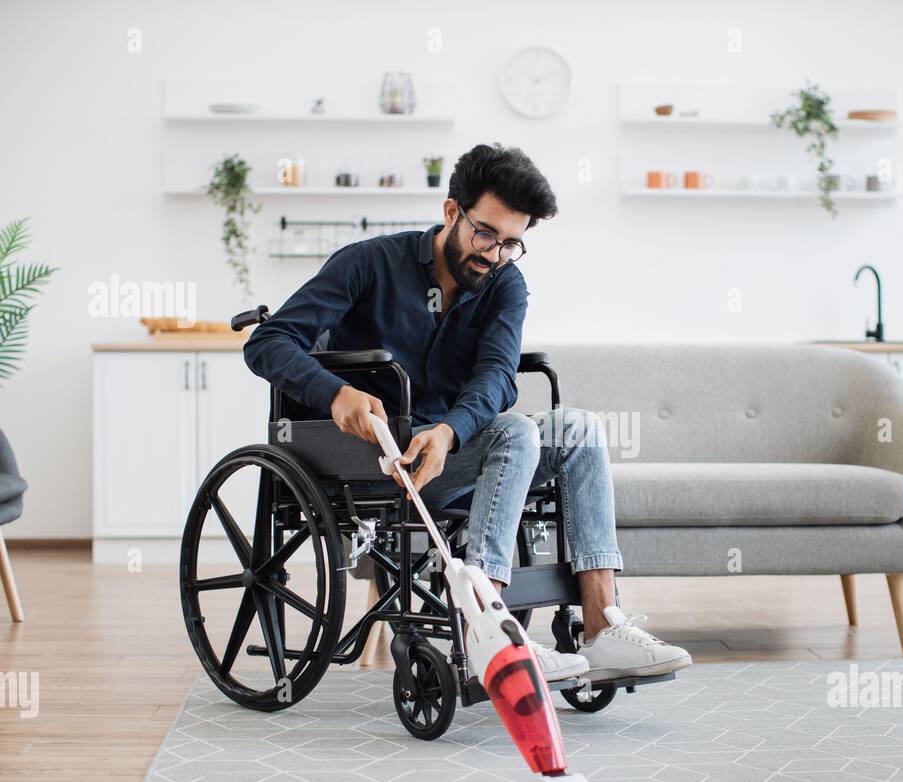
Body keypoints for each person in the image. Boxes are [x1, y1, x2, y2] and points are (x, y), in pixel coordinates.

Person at [244, 143, 690, 683]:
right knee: (516, 435)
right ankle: (488, 630)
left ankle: (601, 628)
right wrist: (337, 394)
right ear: (452, 212)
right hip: (370, 462)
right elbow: (268, 342)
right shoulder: (368, 263)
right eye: (486, 234)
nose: (495, 254)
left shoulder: (505, 284)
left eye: (511, 243)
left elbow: (498, 375)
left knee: (579, 428)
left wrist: (450, 432)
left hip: (451, 456)